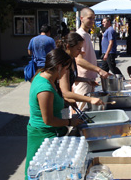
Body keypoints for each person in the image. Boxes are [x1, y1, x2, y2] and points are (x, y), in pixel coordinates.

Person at [24, 48, 84, 180]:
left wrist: (66, 103)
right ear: (58, 66)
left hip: (52, 132)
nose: (66, 72)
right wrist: (69, 122)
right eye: (66, 68)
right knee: (42, 173)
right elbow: (48, 119)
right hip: (43, 134)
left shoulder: (47, 76)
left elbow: (52, 102)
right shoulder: (44, 88)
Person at [56, 32, 104, 114]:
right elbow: (65, 92)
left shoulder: (71, 59)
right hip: (58, 104)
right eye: (78, 49)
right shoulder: (64, 63)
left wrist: (86, 80)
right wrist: (90, 99)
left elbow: (71, 77)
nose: (81, 52)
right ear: (68, 47)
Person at [73, 8, 108, 110]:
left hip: (89, 79)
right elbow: (79, 60)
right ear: (81, 18)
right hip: (82, 80)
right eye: (89, 18)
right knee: (80, 109)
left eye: (94, 18)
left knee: (87, 110)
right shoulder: (80, 35)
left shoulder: (86, 34)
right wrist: (99, 70)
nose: (92, 21)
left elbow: (88, 57)